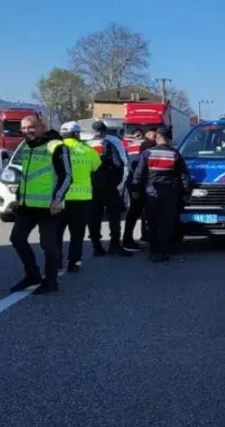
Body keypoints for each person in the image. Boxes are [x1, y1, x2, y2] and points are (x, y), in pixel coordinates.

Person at [8, 115, 71, 294]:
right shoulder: (25, 145)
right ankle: (32, 274)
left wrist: (57, 199)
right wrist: (17, 198)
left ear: (42, 127)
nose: (27, 131)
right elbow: (24, 175)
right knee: (17, 239)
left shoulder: (56, 146)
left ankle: (51, 281)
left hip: (48, 206)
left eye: (31, 127)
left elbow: (66, 176)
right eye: (24, 128)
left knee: (48, 246)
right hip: (26, 205)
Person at [131, 127, 190, 263]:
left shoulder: (147, 153)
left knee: (152, 222)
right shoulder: (175, 154)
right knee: (166, 223)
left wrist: (136, 191)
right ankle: (164, 251)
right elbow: (183, 175)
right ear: (168, 139)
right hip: (170, 193)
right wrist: (186, 192)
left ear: (157, 137)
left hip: (152, 192)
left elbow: (139, 174)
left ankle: (154, 251)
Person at [54, 122, 101, 273]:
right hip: (82, 199)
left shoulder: (55, 149)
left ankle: (56, 261)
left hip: (60, 198)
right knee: (77, 233)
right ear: (77, 134)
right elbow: (96, 166)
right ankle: (73, 263)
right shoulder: (87, 150)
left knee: (56, 232)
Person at [87, 120, 133, 257]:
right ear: (104, 131)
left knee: (94, 216)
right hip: (109, 186)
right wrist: (117, 182)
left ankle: (97, 247)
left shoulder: (85, 146)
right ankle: (114, 245)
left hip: (91, 186)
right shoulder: (108, 144)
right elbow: (119, 164)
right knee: (114, 215)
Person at [122, 128, 156, 250]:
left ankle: (144, 236)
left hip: (135, 182)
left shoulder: (134, 146)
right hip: (138, 183)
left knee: (141, 211)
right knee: (135, 211)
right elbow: (138, 166)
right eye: (155, 137)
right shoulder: (143, 146)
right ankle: (127, 240)